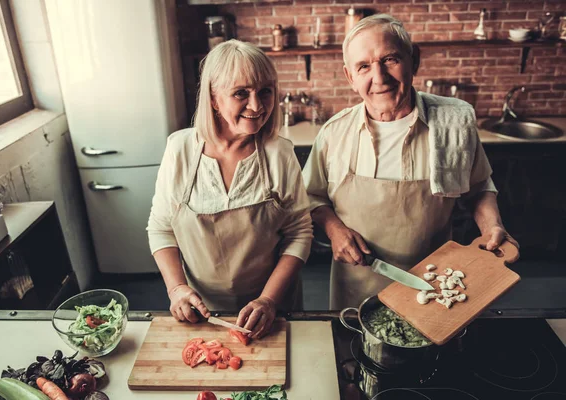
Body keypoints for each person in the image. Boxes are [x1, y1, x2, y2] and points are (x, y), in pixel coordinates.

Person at [302, 14, 518, 310]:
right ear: (350, 77)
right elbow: (311, 196)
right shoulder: (333, 134)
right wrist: (334, 229)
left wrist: (492, 226)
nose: (379, 77)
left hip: (436, 285)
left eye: (390, 59)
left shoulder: (454, 122)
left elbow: (479, 187)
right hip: (357, 288)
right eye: (364, 66)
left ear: (413, 60)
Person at [147, 40, 313, 338]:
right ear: (213, 98)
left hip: (271, 308)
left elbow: (299, 233)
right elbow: (161, 228)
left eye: (265, 91)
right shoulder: (180, 149)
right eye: (241, 93)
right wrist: (177, 289)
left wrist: (268, 300)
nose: (257, 105)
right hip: (202, 310)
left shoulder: (280, 153)